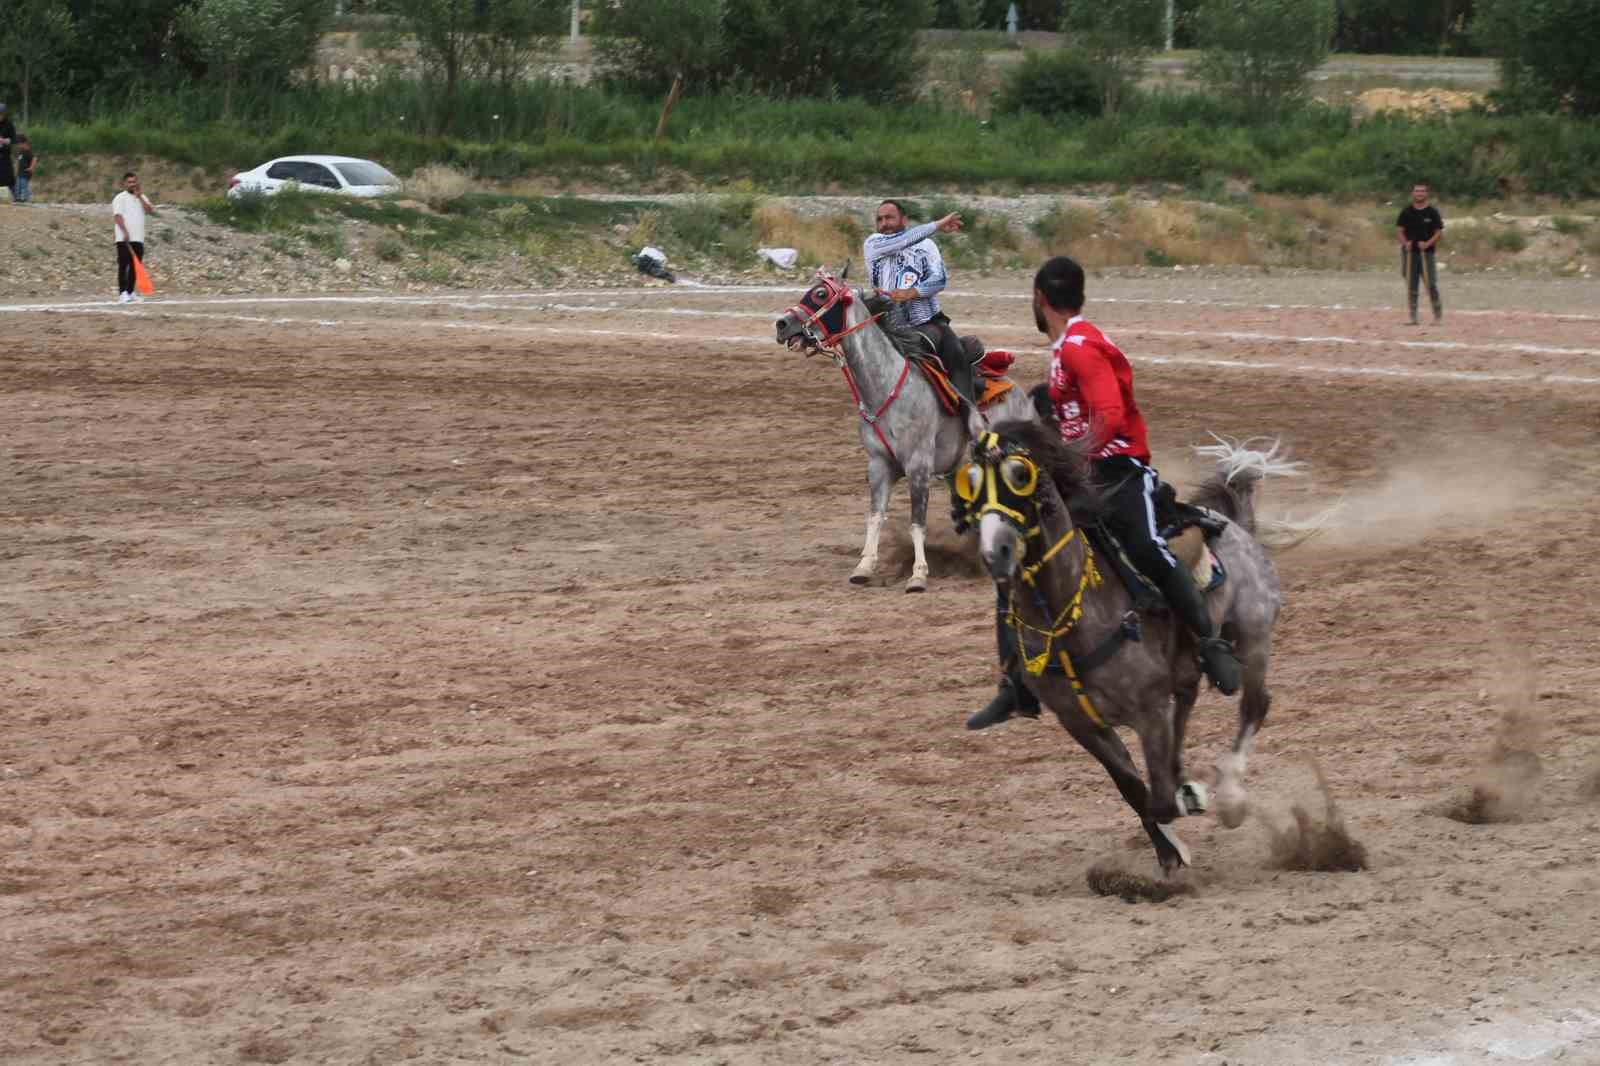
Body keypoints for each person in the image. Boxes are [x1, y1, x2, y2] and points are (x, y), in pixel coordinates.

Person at [965, 256, 1242, 731]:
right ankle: (1015, 687)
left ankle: (1209, 644)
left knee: (1148, 548)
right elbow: (1074, 407)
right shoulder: (1067, 346)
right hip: (1085, 470)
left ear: (1039, 298)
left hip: (1117, 471)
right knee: (1020, 556)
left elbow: (1111, 415)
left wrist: (1069, 455)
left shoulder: (1079, 348)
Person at [862, 200, 977, 406]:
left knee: (956, 355)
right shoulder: (874, 243)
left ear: (904, 220)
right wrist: (937, 225)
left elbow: (940, 279)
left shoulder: (927, 245)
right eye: (880, 219)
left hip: (928, 322)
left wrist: (911, 293)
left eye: (890, 218)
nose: (884, 223)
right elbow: (902, 241)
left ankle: (970, 416)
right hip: (887, 327)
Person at [1396, 181, 1443, 325]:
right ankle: (1413, 317)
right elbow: (1399, 231)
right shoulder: (1406, 211)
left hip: (1427, 253)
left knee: (1431, 284)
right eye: (1417, 191)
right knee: (1411, 285)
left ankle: (1437, 316)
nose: (1419, 193)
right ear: (1413, 193)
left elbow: (1438, 231)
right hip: (1410, 253)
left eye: (1422, 191)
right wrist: (1406, 243)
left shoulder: (1432, 212)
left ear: (1426, 194)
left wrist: (1428, 243)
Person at [113, 172, 157, 304]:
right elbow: (117, 217)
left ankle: (131, 292)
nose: (132, 184)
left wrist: (140, 198)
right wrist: (125, 232)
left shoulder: (142, 197)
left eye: (134, 182)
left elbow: (149, 210)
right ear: (124, 184)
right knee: (124, 265)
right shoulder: (120, 198)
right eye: (130, 182)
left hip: (138, 238)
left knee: (135, 267)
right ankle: (122, 293)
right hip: (124, 238)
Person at [0, 103, 16, 203]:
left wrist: (5, 141)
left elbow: (14, 139)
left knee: (8, 177)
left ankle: (13, 197)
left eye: (1, 114)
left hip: (5, 155)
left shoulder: (9, 124)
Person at [14, 135, 35, 204]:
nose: (18, 145)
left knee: (24, 185)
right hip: (19, 172)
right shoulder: (20, 151)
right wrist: (16, 169)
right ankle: (18, 199)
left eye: (19, 144)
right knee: (18, 186)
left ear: (24, 143)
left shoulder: (28, 151)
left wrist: (31, 167)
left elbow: (34, 159)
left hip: (26, 172)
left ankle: (27, 199)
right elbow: (18, 160)